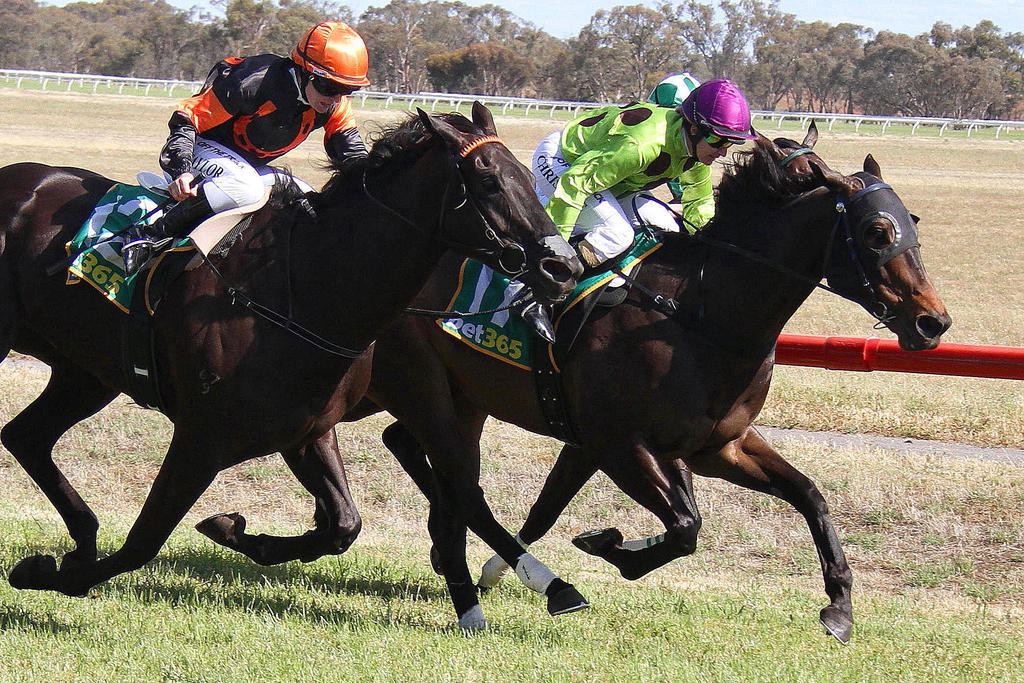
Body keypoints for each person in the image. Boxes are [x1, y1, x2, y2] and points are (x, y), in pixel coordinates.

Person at [122, 21, 371, 275]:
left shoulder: (335, 104)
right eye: (330, 87)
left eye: (347, 90)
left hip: (244, 167)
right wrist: (181, 170)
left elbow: (352, 156)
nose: (335, 98)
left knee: (303, 197)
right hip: (200, 150)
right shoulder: (252, 81)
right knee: (247, 188)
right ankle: (150, 235)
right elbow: (186, 119)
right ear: (304, 70)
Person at [519, 77, 757, 341]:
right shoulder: (643, 146)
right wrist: (554, 249)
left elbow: (699, 208)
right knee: (617, 234)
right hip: (562, 161)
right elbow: (575, 183)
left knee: (666, 223)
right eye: (717, 140)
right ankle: (535, 293)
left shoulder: (696, 153)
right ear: (692, 128)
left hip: (604, 179)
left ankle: (607, 288)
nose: (722, 151)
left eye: (729, 142)